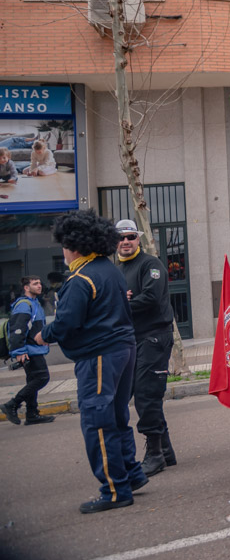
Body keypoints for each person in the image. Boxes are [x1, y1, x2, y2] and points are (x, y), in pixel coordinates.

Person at [35, 210, 146, 513]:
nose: (63, 250)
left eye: (64, 244)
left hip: (100, 354)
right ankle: (131, 474)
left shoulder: (81, 278)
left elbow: (66, 323)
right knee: (117, 416)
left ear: (74, 245)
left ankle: (114, 489)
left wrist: (44, 335)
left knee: (97, 422)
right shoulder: (108, 269)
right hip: (123, 348)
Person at [114, 219, 177, 477]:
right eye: (121, 237)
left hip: (154, 337)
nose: (126, 241)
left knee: (145, 395)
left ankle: (155, 455)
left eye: (131, 236)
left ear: (138, 239)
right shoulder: (117, 269)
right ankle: (166, 452)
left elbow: (150, 298)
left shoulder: (151, 264)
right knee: (142, 393)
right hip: (133, 339)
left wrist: (121, 303)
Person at [2, 276, 54, 426]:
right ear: (26, 287)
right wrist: (19, 351)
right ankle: (12, 404)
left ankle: (32, 414)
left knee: (33, 380)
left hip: (35, 348)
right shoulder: (24, 305)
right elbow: (17, 329)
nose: (39, 286)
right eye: (35, 284)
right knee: (42, 378)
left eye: (39, 283)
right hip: (29, 350)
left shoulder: (34, 303)